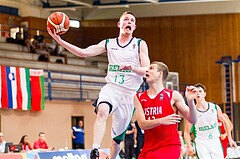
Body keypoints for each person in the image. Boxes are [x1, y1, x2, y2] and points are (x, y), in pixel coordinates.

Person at [47, 11, 150, 159]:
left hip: (129, 94)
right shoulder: (109, 43)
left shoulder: (139, 44)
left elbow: (147, 69)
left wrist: (132, 68)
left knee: (116, 142)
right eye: (126, 19)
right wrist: (59, 40)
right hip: (112, 88)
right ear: (119, 24)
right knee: (102, 111)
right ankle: (95, 149)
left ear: (134, 26)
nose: (129, 22)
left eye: (132, 20)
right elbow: (83, 53)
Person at [134, 61, 198, 159]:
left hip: (169, 146)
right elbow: (142, 124)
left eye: (151, 68)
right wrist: (161, 120)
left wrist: (190, 102)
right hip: (148, 148)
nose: (147, 70)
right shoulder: (139, 97)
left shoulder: (173, 95)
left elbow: (193, 119)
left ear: (160, 74)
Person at [184, 83, 237, 159]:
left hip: (215, 141)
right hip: (201, 143)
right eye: (195, 92)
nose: (198, 93)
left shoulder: (214, 108)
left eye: (200, 91)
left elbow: (225, 122)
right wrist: (189, 145)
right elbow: (186, 132)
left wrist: (230, 139)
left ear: (204, 94)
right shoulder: (192, 112)